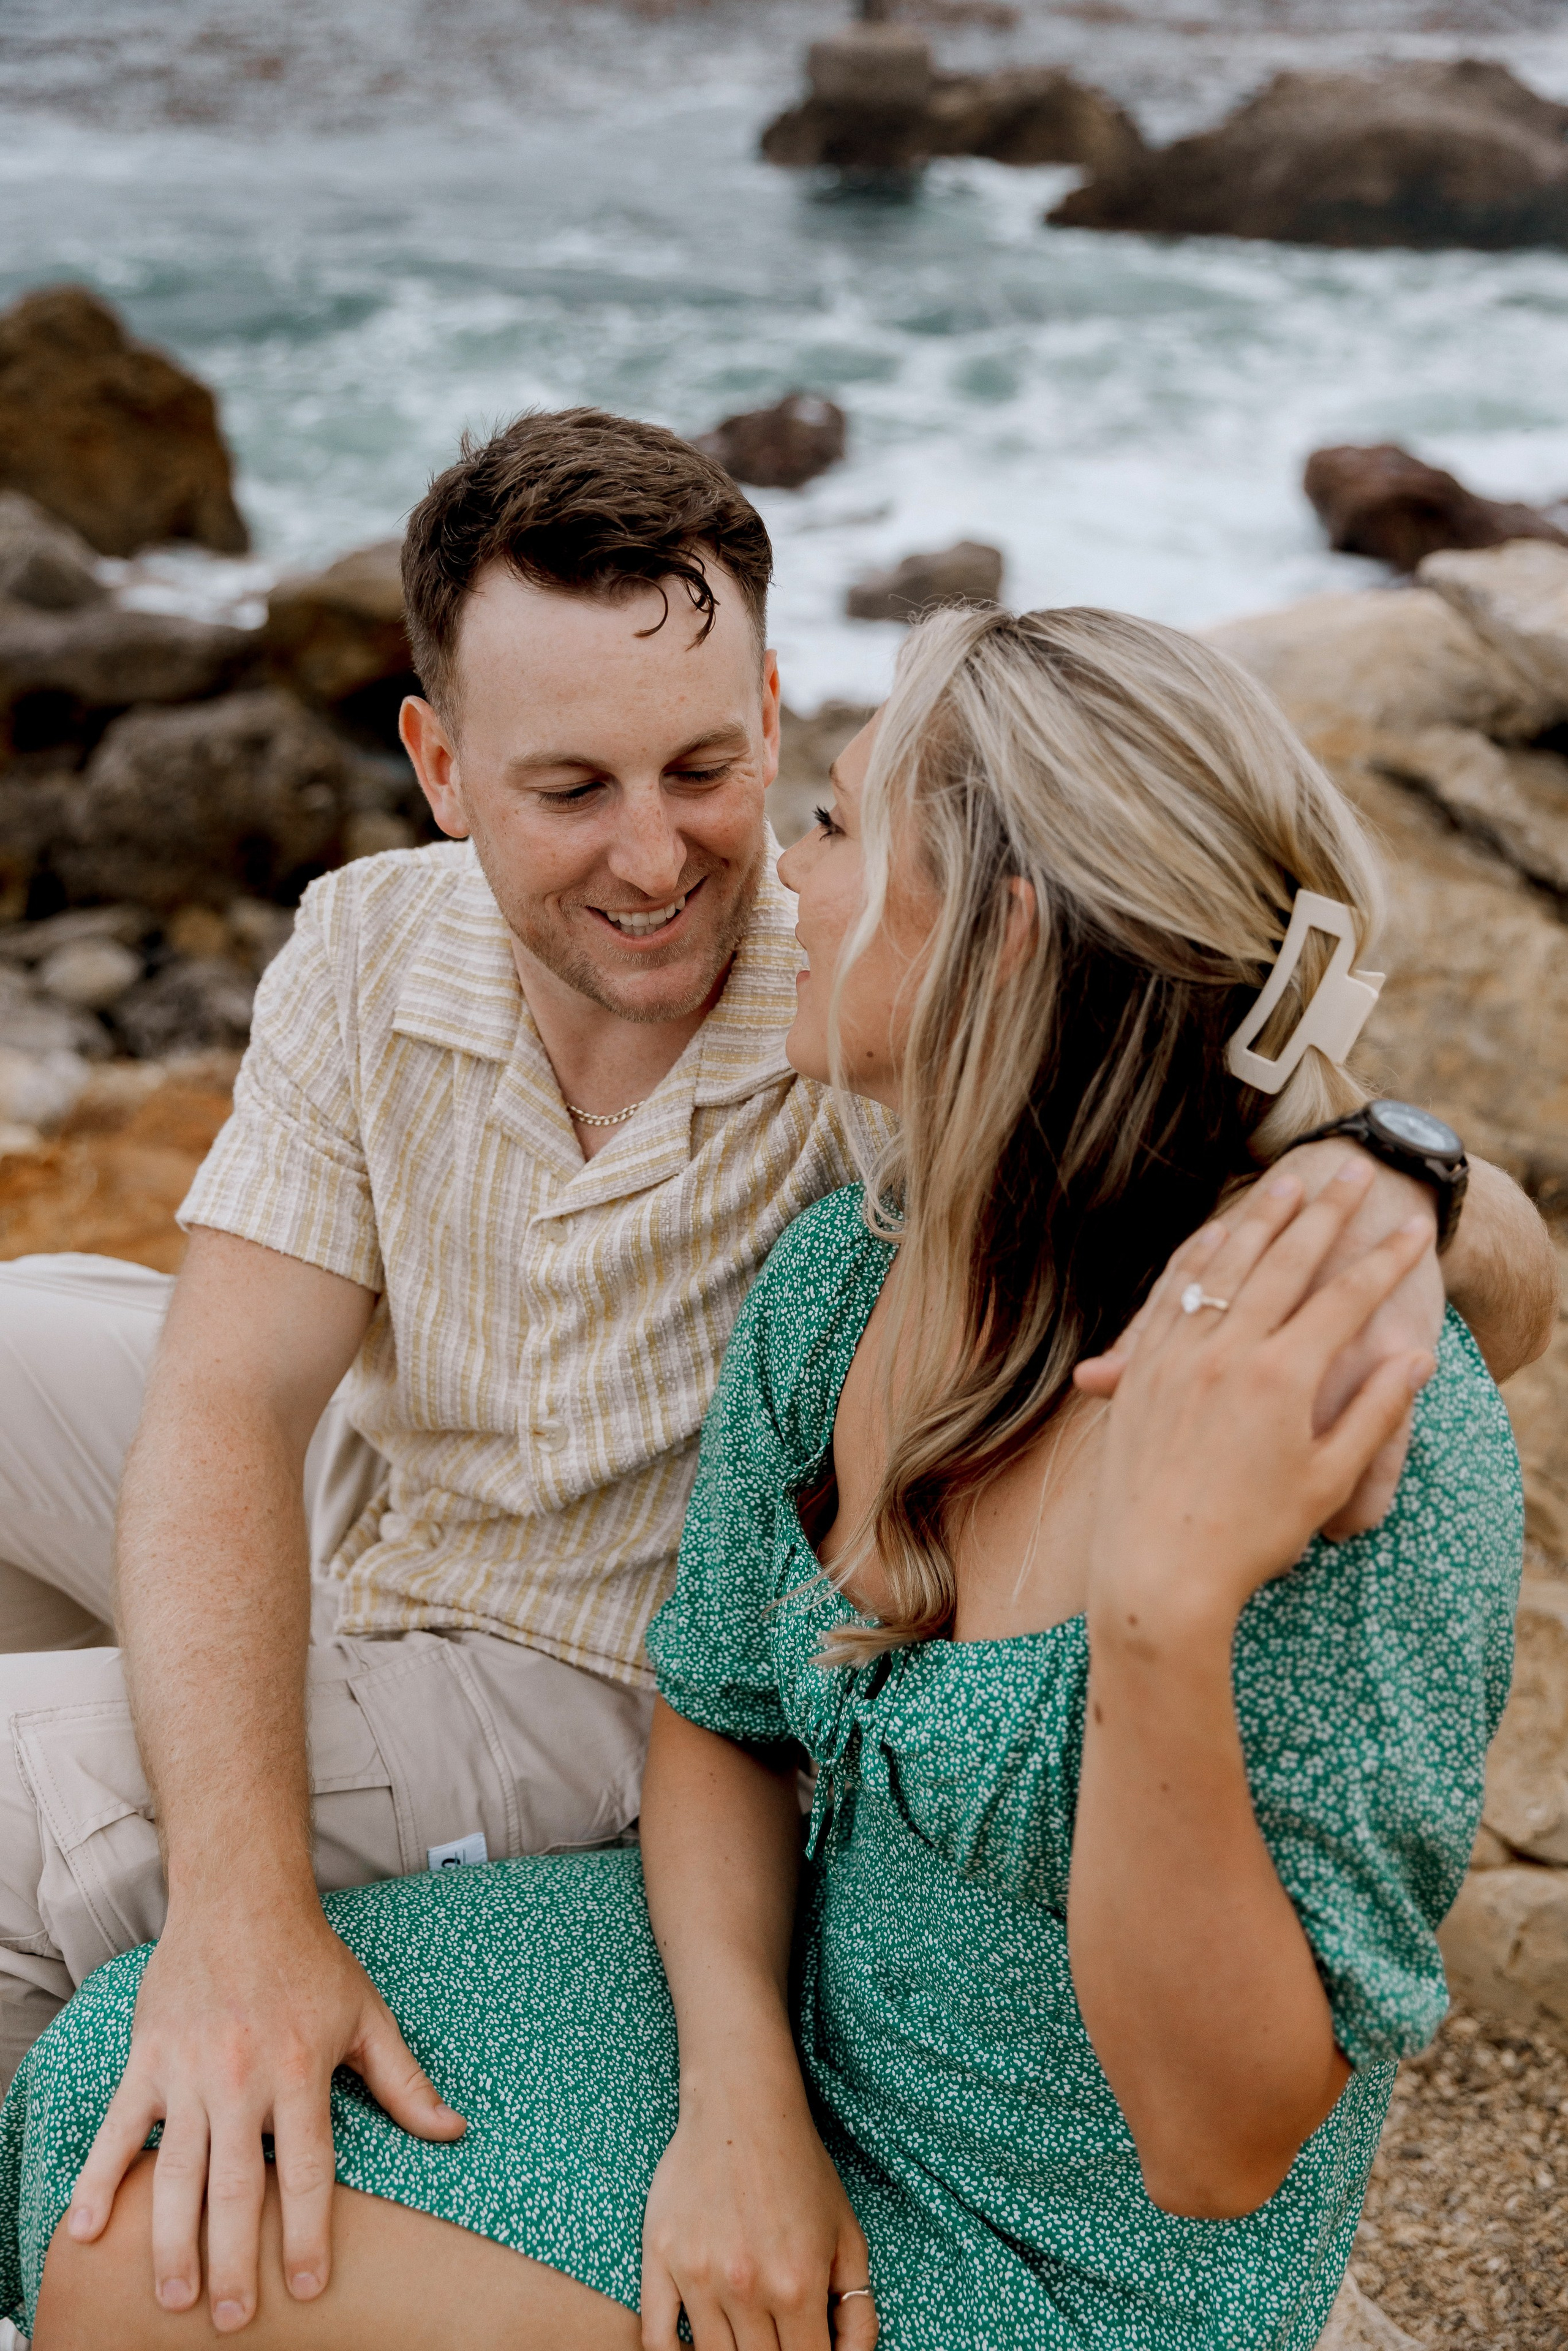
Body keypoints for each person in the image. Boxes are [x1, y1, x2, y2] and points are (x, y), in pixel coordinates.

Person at [4, 602, 1535, 2349]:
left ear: (999, 932)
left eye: (833, 822)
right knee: (113, 2087)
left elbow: (1214, 2152)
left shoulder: (1355, 1443)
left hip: (1055, 2265)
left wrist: (1166, 1618)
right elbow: (720, 1714)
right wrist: (744, 2104)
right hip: (791, 2026)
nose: (784, 880)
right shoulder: (852, 1279)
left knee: (148, 2253)